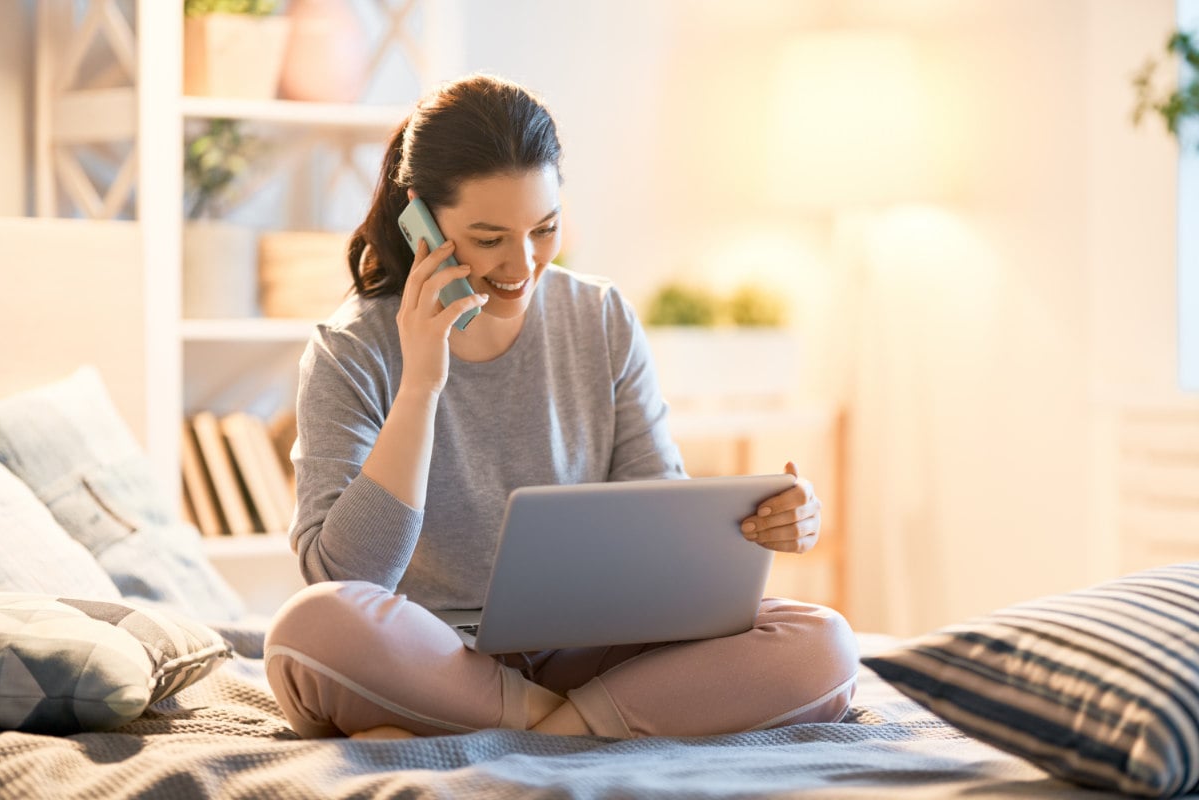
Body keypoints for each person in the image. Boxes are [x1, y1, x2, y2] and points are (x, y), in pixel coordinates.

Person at [264, 73, 859, 740]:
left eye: (543, 229)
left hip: (595, 649)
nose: (523, 264)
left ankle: (537, 726)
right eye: (489, 238)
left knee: (825, 644)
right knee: (310, 629)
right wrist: (421, 385)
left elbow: (654, 508)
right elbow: (348, 577)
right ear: (420, 222)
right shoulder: (351, 348)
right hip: (437, 655)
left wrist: (765, 523)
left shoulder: (600, 317)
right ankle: (584, 723)